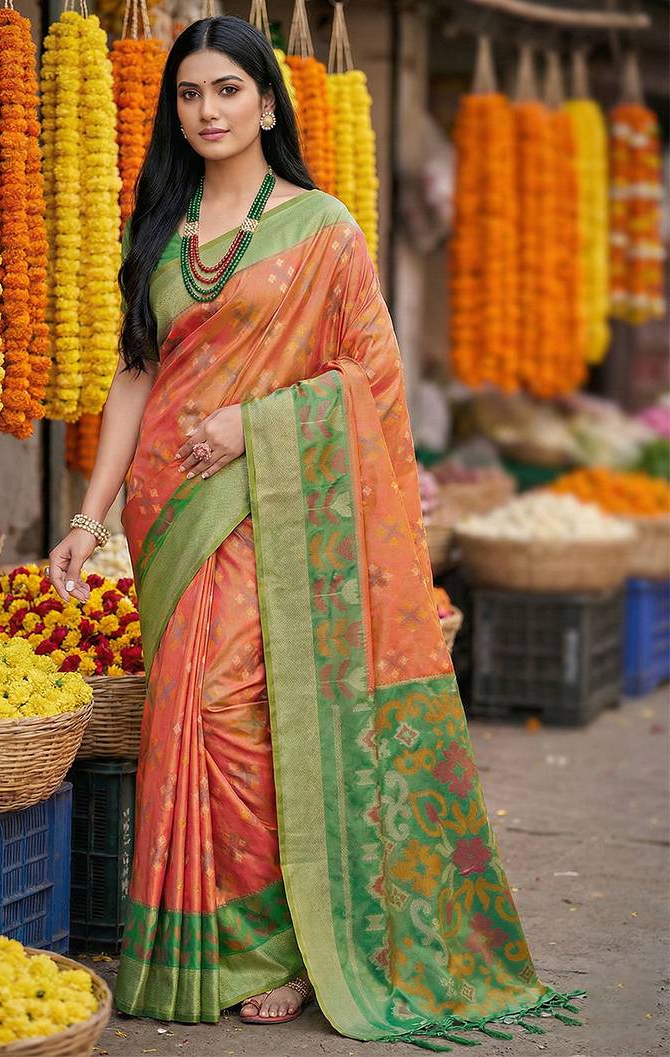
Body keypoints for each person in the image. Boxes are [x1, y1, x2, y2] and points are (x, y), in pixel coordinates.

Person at [47, 15, 587, 1048]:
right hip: (172, 510)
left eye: (227, 92)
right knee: (187, 712)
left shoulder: (323, 227)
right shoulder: (157, 220)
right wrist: (89, 514)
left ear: (266, 102)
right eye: (190, 94)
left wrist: (251, 425)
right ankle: (214, 937)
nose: (207, 111)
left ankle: (286, 947)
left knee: (235, 703)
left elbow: (371, 384)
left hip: (272, 499)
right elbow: (135, 373)